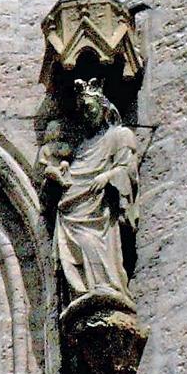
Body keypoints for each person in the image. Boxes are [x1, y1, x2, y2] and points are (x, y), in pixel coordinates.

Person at [43, 77, 142, 309]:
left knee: (92, 241)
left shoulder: (120, 135)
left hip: (98, 209)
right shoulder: (82, 146)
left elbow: (128, 169)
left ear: (103, 107)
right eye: (82, 111)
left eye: (89, 108)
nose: (86, 115)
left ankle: (106, 285)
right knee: (74, 249)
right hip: (73, 207)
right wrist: (65, 168)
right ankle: (81, 290)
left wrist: (107, 177)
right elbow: (77, 170)